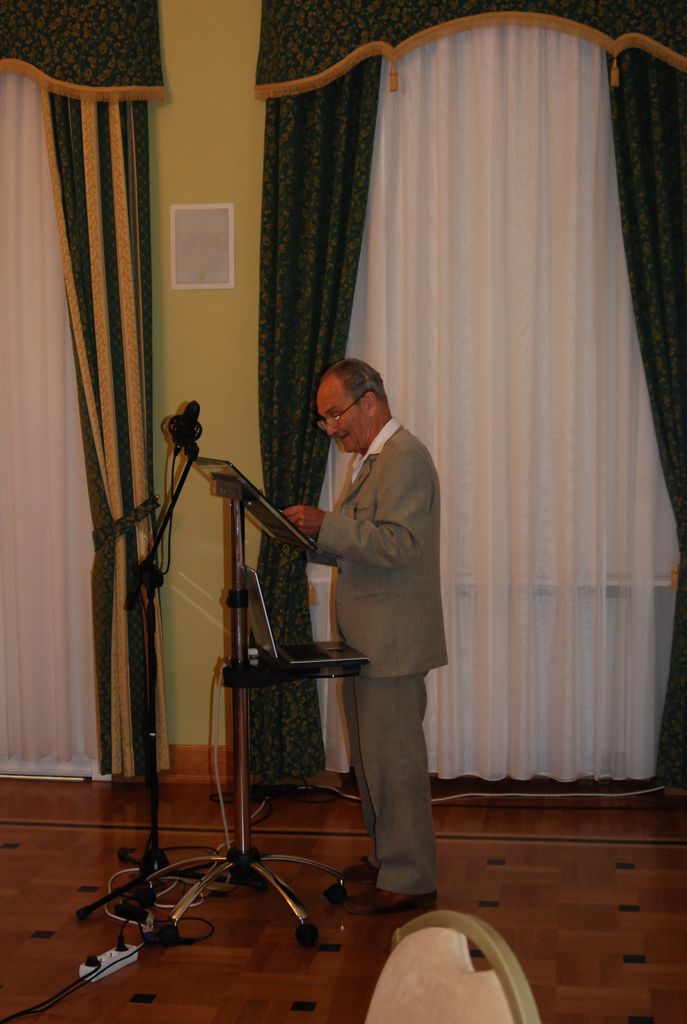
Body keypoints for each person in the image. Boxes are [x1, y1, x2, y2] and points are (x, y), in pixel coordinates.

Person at [283, 359, 447, 915]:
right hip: (369, 643)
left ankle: (410, 876)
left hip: (392, 645)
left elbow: (400, 545)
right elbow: (366, 544)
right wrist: (310, 536)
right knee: (375, 762)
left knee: (395, 765)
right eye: (325, 418)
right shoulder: (375, 461)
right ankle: (386, 859)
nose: (330, 428)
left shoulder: (405, 458)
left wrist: (326, 524)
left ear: (370, 402)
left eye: (335, 414)